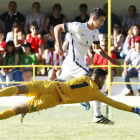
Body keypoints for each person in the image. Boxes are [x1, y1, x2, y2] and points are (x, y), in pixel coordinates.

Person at [54, 8, 120, 124]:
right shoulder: (78, 26)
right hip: (73, 62)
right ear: (94, 19)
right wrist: (59, 46)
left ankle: (30, 105)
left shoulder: (95, 32)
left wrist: (110, 59)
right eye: (102, 20)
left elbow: (96, 49)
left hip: (75, 64)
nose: (103, 23)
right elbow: (57, 28)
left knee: (53, 87)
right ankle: (97, 115)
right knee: (95, 78)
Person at [0, 68, 140, 122]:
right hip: (54, 99)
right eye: (104, 79)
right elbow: (116, 104)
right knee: (16, 110)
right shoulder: (97, 94)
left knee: (17, 89)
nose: (104, 82)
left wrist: (80, 99)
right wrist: (134, 109)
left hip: (51, 85)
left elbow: (71, 85)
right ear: (99, 79)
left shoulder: (84, 78)